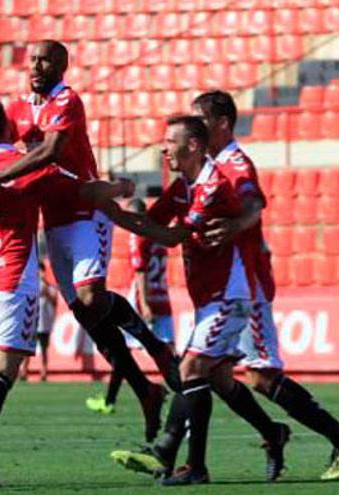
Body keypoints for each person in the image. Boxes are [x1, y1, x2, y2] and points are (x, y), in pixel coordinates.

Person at [111, 93, 339, 484]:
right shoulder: (198, 172)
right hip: (220, 282)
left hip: (244, 281)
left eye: (201, 120)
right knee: (215, 374)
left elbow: (253, 206)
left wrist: (234, 226)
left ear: (222, 124)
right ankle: (265, 435)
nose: (194, 128)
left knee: (245, 374)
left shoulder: (234, 164)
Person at [0, 40, 180, 443]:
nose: (36, 66)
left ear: (61, 65)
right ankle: (145, 391)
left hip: (84, 205)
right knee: (86, 315)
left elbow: (51, 149)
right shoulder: (20, 107)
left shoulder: (68, 101)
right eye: (32, 59)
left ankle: (154, 344)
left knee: (92, 298)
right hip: (52, 214)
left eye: (44, 59)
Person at [0, 96, 133, 490]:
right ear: (9, 127)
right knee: (3, 374)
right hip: (15, 278)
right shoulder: (27, 169)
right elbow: (82, 188)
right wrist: (122, 186)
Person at [97, 116, 277, 486]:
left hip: (229, 294)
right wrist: (122, 213)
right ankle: (273, 432)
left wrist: (112, 212)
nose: (162, 149)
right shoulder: (183, 185)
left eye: (169, 141)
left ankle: (194, 466)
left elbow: (170, 235)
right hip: (208, 297)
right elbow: (153, 220)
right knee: (222, 381)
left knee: (190, 369)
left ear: (193, 145)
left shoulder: (211, 185)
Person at [86, 198, 174, 415]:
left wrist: (144, 303)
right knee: (168, 357)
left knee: (121, 353)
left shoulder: (138, 237)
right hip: (164, 299)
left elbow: (141, 271)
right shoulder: (159, 236)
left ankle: (110, 400)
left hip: (144, 300)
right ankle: (188, 397)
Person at [20, 261, 59, 382]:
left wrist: (45, 289)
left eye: (41, 270)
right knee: (27, 348)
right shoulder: (30, 286)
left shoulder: (50, 286)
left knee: (43, 348)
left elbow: (54, 301)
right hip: (31, 322)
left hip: (44, 323)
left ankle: (43, 371)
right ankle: (23, 371)